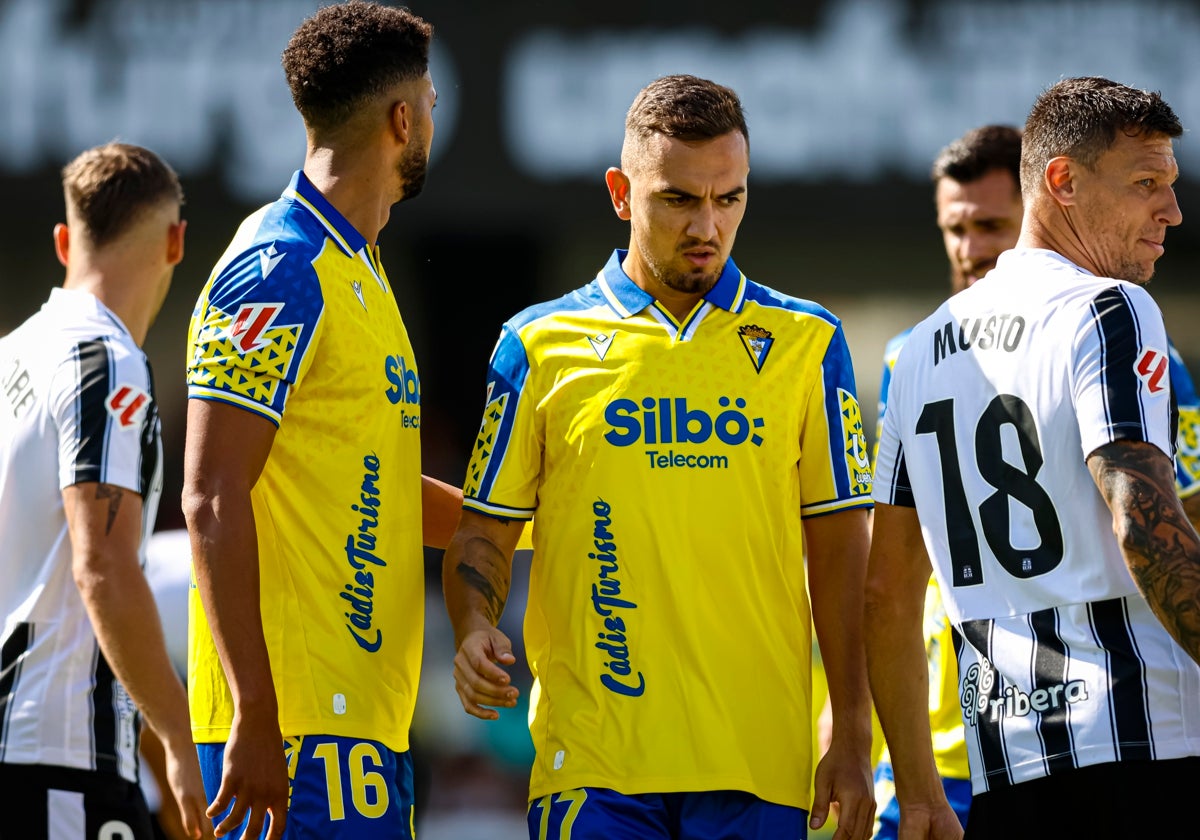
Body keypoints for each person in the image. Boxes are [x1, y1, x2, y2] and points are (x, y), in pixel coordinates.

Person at [443, 74, 876, 840]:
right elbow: (484, 532)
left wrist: (851, 730)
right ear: (621, 192)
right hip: (594, 764)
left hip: (758, 763)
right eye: (678, 199)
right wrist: (473, 621)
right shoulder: (536, 344)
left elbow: (842, 552)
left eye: (730, 198)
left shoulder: (809, 342)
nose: (707, 225)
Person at [866, 76, 1200, 840]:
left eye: (1172, 186)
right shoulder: (1110, 308)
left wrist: (918, 790)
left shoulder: (917, 351)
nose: (1171, 212)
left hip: (1004, 773)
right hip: (1145, 746)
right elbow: (1143, 525)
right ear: (1062, 182)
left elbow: (884, 593)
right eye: (1146, 183)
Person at [181, 3, 460, 838]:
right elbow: (211, 492)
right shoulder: (280, 265)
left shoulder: (360, 269)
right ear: (401, 120)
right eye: (431, 104)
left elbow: (362, 476)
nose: (433, 120)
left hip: (362, 724)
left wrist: (525, 525)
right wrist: (253, 713)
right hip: (290, 733)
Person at [0, 143, 207, 839]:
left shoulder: (10, 357)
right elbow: (103, 567)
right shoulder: (108, 361)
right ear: (176, 241)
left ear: (64, 241)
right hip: (58, 761)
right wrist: (182, 744)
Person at [868, 124, 1025, 840]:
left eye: (992, 225)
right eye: (954, 229)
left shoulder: (1116, 345)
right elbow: (889, 571)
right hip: (934, 752)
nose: (971, 250)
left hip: (1063, 742)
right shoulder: (910, 360)